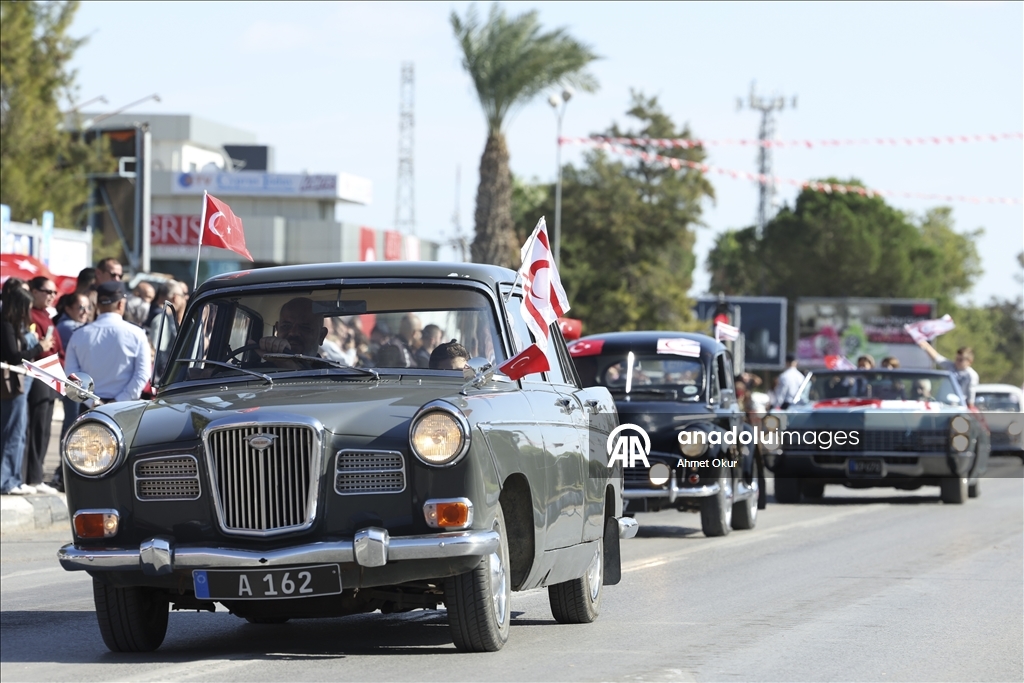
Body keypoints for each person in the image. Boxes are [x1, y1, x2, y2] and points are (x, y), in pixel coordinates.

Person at [1, 287, 53, 495]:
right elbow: (14, 356)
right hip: (12, 384)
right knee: (12, 432)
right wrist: (39, 347)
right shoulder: (6, 324)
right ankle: (7, 481)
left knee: (19, 432)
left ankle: (14, 478)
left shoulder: (13, 324)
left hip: (20, 382)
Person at [65, 282, 151, 404]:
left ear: (97, 305)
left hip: (90, 407)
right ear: (121, 304)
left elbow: (71, 374)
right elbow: (143, 374)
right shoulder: (137, 334)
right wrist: (119, 400)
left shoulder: (79, 335)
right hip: (125, 407)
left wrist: (92, 401)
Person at [25, 276, 64, 494]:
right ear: (34, 291)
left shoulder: (47, 316)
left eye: (53, 293)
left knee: (46, 428)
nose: (51, 296)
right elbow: (40, 348)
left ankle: (36, 474)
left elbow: (56, 347)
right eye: (47, 292)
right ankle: (33, 476)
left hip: (52, 374)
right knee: (37, 428)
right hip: (39, 373)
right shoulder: (31, 314)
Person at [256, 297, 328, 369]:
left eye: (305, 327)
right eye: (286, 326)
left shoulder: (331, 377)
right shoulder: (255, 373)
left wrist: (289, 366)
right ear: (277, 330)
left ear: (321, 336)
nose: (293, 333)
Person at [916, 339, 979, 406]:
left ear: (970, 361)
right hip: (944, 402)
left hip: (959, 404)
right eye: (956, 359)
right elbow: (937, 358)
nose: (957, 362)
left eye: (960, 360)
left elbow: (971, 392)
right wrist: (926, 346)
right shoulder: (951, 366)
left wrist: (970, 406)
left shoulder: (971, 375)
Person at [147, 280, 187, 373]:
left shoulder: (154, 312)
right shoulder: (161, 317)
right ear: (175, 297)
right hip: (157, 375)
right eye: (182, 296)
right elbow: (157, 350)